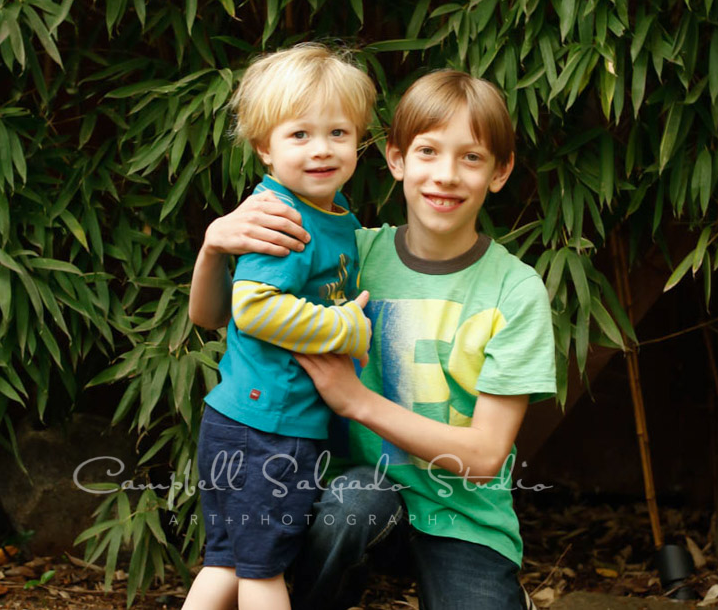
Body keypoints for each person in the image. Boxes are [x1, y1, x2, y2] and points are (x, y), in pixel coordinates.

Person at [190, 69, 556, 609]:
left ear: (500, 172)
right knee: (351, 505)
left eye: (472, 158)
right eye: (428, 151)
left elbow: (483, 456)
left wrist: (357, 401)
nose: (447, 176)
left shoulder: (514, 290)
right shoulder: (349, 251)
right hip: (349, 494)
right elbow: (218, 318)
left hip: (462, 514)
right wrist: (212, 247)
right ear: (396, 159)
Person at [182, 43, 377, 610]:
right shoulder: (282, 216)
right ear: (264, 148)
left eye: (338, 133)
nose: (321, 149)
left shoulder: (330, 211)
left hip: (242, 418)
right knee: (263, 575)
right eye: (299, 135)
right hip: (272, 428)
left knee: (227, 562)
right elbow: (255, 309)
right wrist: (346, 329)